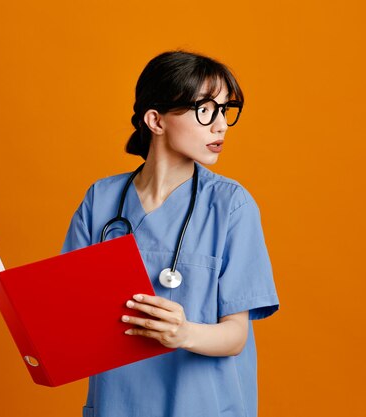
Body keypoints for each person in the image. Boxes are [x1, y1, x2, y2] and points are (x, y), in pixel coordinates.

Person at [61, 50, 279, 417]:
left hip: (204, 406)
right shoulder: (101, 199)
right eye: (206, 110)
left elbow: (236, 336)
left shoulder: (231, 206)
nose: (221, 125)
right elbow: (71, 308)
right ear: (156, 121)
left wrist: (184, 333)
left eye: (225, 111)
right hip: (118, 404)